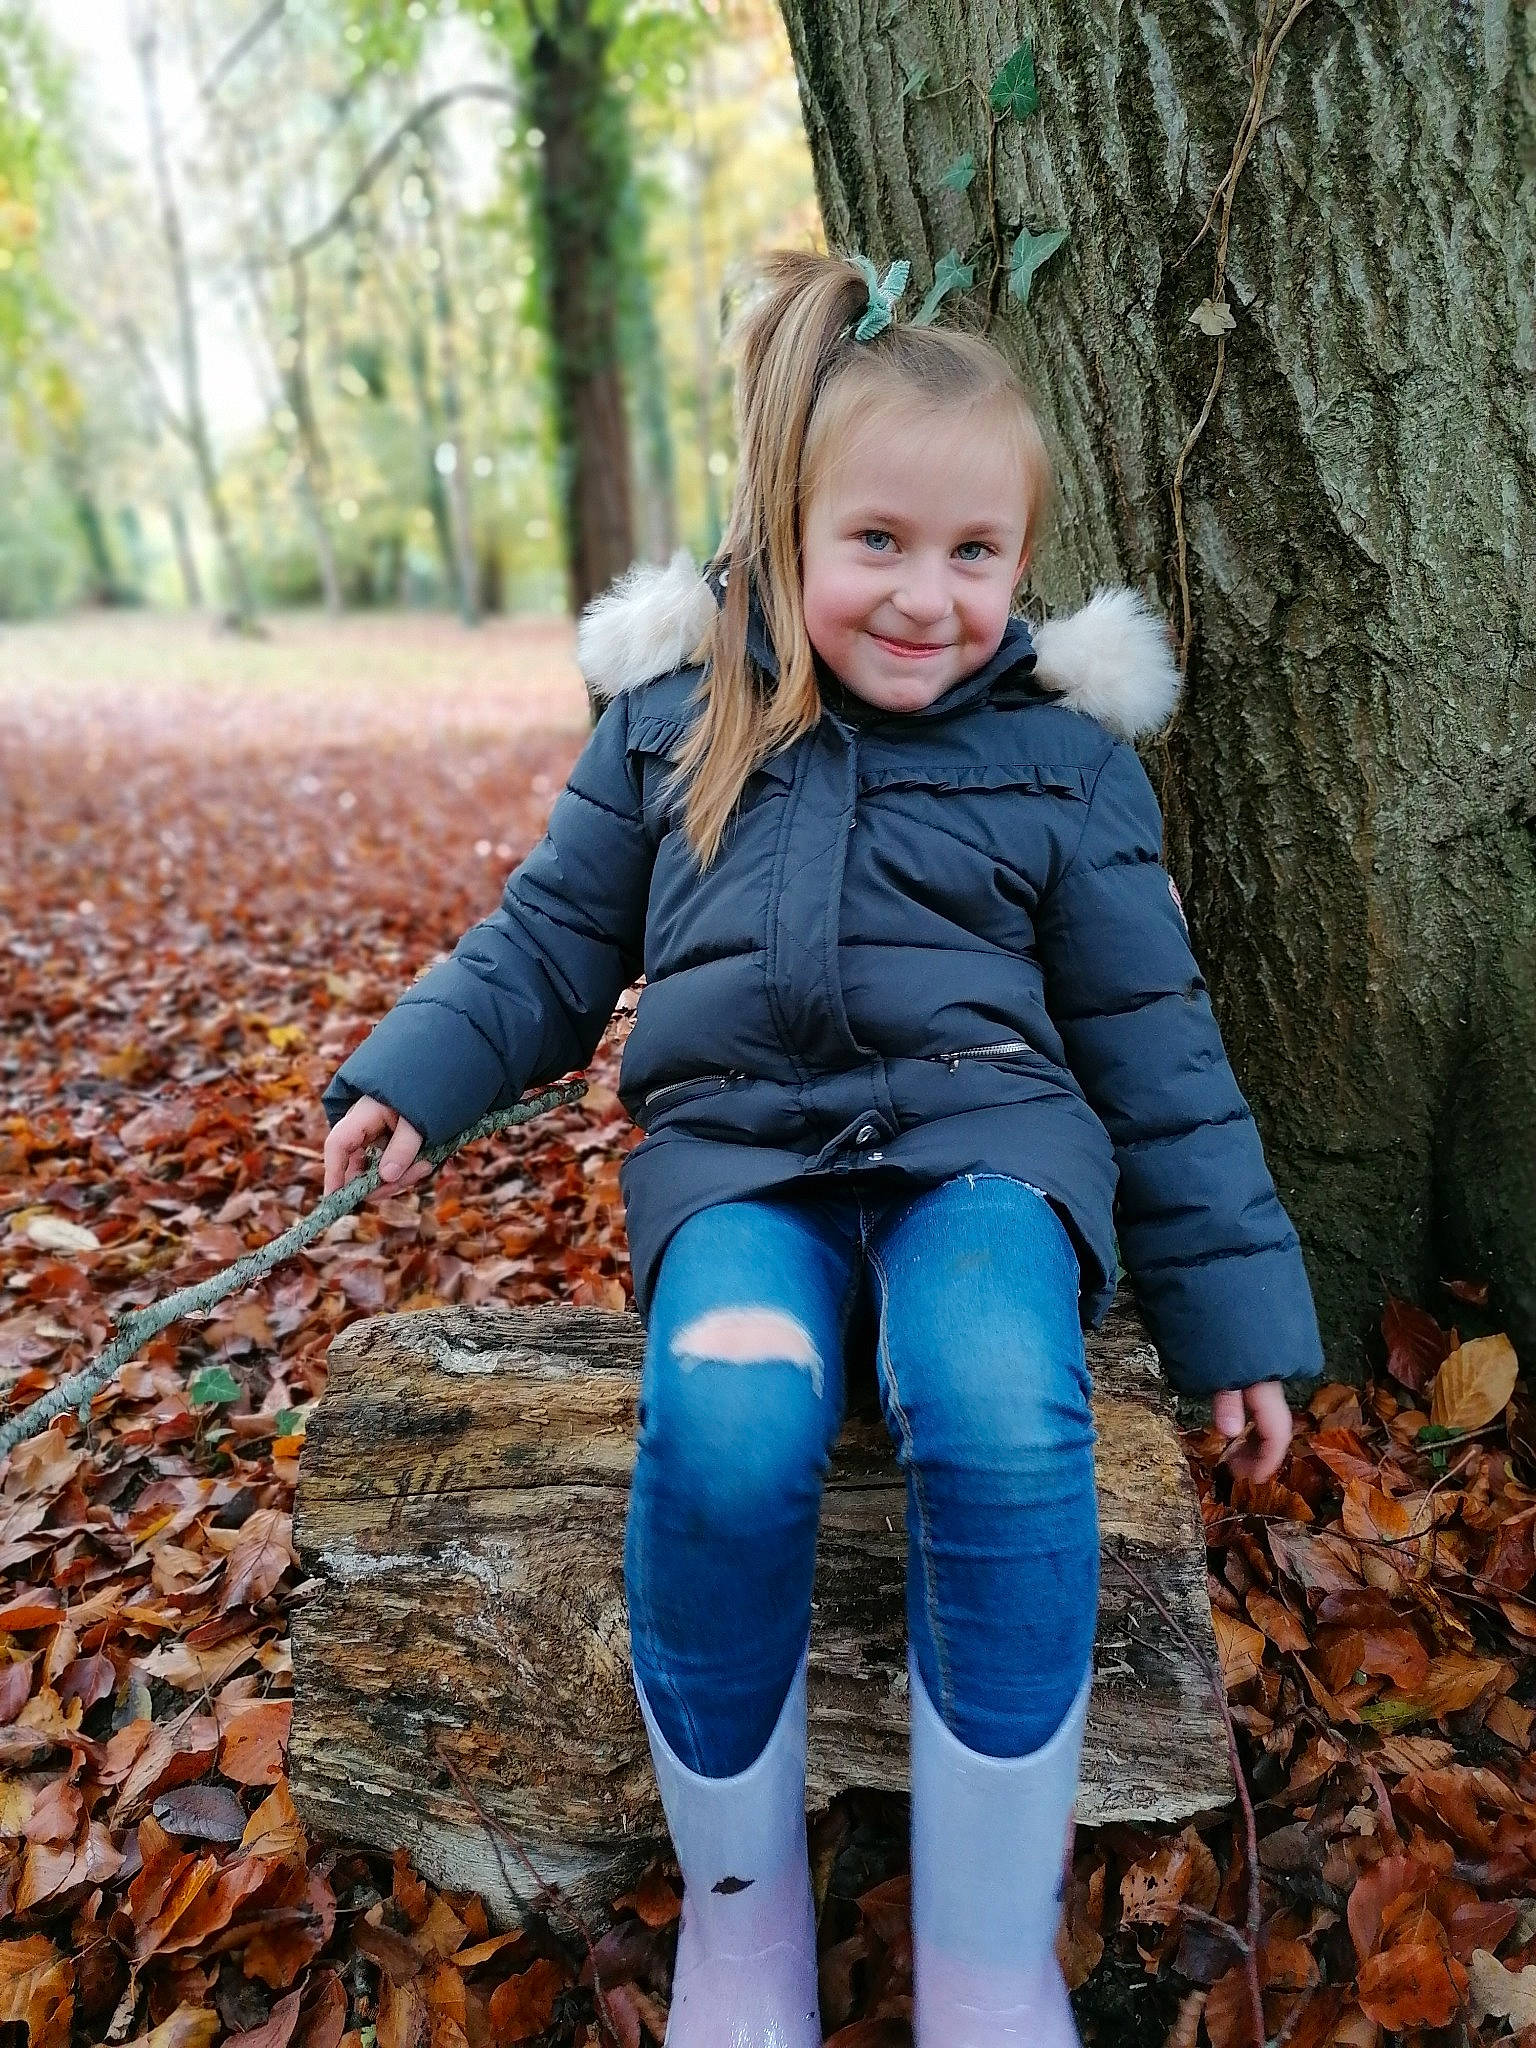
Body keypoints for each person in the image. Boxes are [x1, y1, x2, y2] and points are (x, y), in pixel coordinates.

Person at [321, 249, 1323, 2047]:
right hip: (738, 1174)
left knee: (1004, 1404)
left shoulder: (1065, 771)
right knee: (726, 1409)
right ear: (783, 524)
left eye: (974, 554)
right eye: (878, 543)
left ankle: (991, 1950)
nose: (928, 598)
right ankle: (743, 1920)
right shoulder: (673, 724)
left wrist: (1239, 1316)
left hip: (986, 1168)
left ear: (1020, 567)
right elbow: (547, 947)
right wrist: (414, 1076)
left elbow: (1158, 1056)